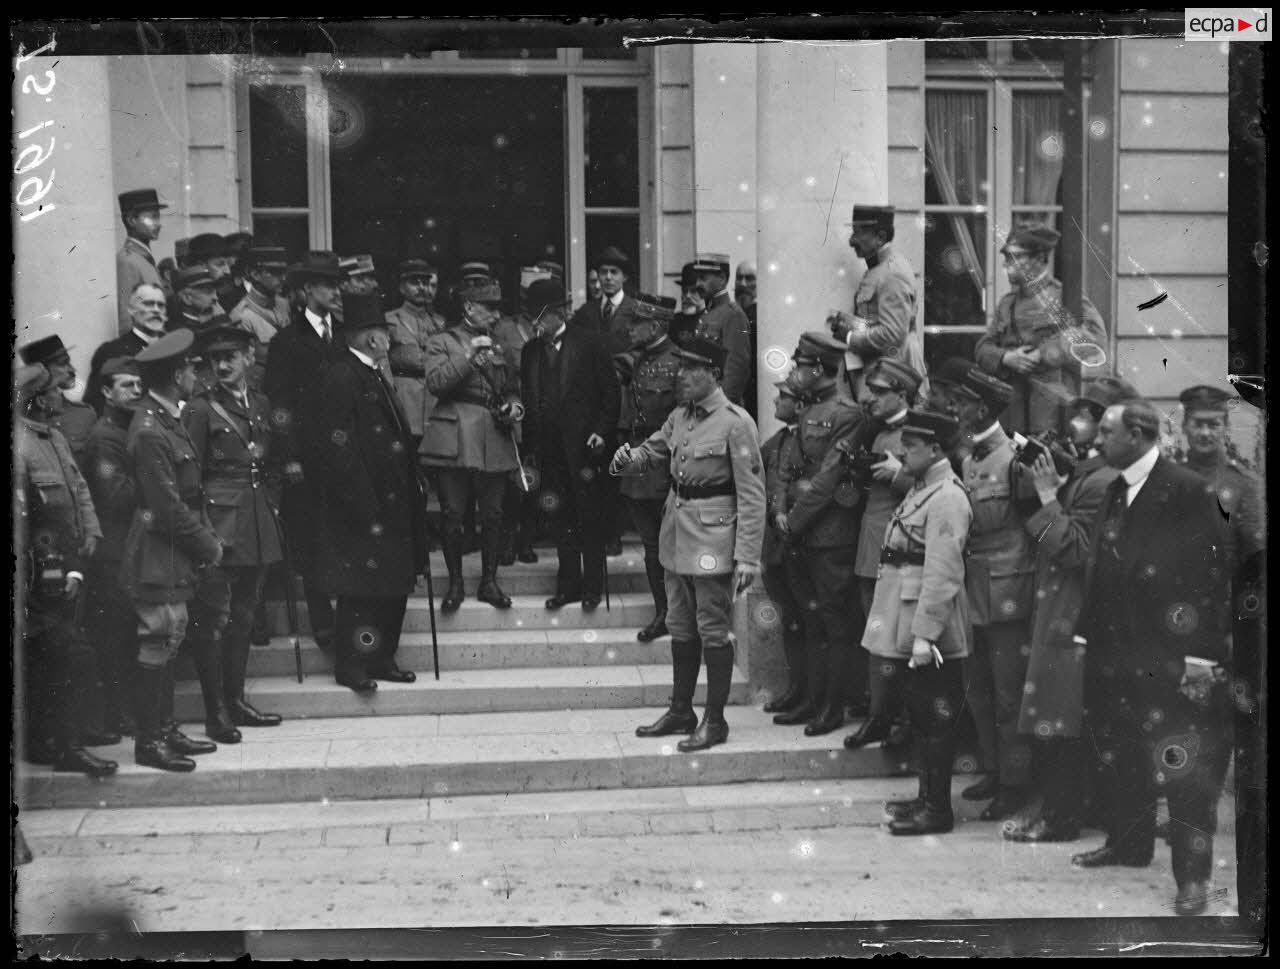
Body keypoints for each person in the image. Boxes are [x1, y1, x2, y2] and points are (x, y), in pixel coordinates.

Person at [1072, 399, 1232, 917]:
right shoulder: (1116, 488)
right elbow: (1102, 565)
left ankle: (1192, 879)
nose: (1097, 443)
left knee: (1184, 768)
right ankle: (1129, 844)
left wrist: (1203, 656)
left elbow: (1212, 579)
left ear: (1138, 435)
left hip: (1171, 656)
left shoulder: (1187, 490)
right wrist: (1085, 633)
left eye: (1107, 433)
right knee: (1121, 753)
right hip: (1116, 653)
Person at [611, 336, 765, 752]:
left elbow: (752, 493)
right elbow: (656, 450)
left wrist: (749, 556)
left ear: (712, 375)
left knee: (713, 628)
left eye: (689, 369)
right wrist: (630, 458)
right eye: (679, 368)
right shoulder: (681, 416)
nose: (679, 376)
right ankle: (682, 709)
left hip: (714, 536)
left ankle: (715, 720)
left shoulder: (737, 423)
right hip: (676, 533)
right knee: (680, 624)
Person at [1002, 376, 1136, 844]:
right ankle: (1063, 811)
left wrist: (1045, 497)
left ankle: (1062, 819)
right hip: (1058, 608)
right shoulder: (1086, 474)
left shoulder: (1101, 483)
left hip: (1071, 612)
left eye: (1088, 417)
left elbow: (1075, 551)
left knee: (1061, 722)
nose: (1077, 425)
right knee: (1056, 720)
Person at [1171, 383, 1266, 916]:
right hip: (1175, 647)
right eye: (1196, 423)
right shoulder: (1168, 485)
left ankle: (1255, 888)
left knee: (1241, 770)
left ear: (1225, 429)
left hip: (1230, 649)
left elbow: (1255, 569)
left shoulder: (1242, 487)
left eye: (1214, 423)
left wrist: (1235, 643)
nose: (1205, 431)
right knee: (1188, 770)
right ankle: (1190, 880)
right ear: (1183, 427)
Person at [862, 409, 972, 835]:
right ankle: (926, 799)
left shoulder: (947, 496)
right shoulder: (926, 487)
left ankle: (938, 810)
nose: (901, 451)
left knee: (935, 719)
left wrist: (926, 636)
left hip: (930, 627)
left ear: (937, 449)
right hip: (906, 616)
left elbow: (943, 573)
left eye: (910, 445)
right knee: (923, 716)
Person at [313, 292, 428, 693]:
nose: (389, 339)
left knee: (392, 586)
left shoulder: (375, 372)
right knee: (361, 591)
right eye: (384, 332)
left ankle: (382, 658)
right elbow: (339, 448)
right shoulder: (342, 375)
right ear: (367, 337)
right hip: (365, 507)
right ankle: (352, 664)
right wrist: (364, 503)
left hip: (393, 503)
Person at [122, 329, 226, 771]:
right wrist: (208, 545)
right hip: (156, 550)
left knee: (172, 633)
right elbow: (165, 505)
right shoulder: (149, 429)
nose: (195, 374)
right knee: (160, 637)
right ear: (173, 374)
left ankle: (163, 729)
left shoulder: (167, 419)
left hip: (172, 551)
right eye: (189, 368)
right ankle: (150, 740)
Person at [16, 363, 116, 777]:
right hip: (35, 579)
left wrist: (85, 543)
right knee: (67, 656)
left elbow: (78, 492)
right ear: (40, 399)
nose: (64, 395)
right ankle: (65, 745)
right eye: (57, 390)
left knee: (57, 658)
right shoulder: (21, 446)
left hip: (63, 566)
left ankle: (53, 741)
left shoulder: (54, 437)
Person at [183, 324, 285, 727]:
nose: (222, 365)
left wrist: (272, 503)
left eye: (230, 357)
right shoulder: (201, 408)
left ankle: (236, 700)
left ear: (248, 357)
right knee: (214, 619)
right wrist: (202, 532)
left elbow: (273, 462)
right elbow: (190, 476)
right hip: (219, 522)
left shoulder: (261, 403)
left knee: (244, 615)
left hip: (257, 519)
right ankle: (216, 712)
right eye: (214, 359)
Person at [949, 366, 1037, 820]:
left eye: (961, 401)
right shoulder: (969, 459)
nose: (954, 408)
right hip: (975, 588)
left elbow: (1033, 528)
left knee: (1009, 695)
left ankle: (1016, 783)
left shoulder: (1017, 459)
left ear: (981, 408)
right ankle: (993, 768)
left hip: (1008, 589)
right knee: (978, 690)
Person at [773, 332, 867, 735]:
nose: (795, 372)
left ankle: (833, 706)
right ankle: (811, 699)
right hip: (800, 531)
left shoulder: (847, 413)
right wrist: (779, 509)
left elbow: (828, 479)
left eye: (800, 366)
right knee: (810, 621)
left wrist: (792, 522)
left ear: (820, 370)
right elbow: (787, 467)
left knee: (834, 623)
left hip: (829, 535)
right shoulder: (809, 409)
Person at [421, 277, 525, 612]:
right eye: (489, 308)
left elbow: (511, 388)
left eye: (498, 308)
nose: (496, 315)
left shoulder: (499, 346)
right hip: (455, 435)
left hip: (493, 434)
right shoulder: (442, 341)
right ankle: (454, 584)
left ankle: (489, 582)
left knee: (493, 513)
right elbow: (436, 383)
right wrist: (467, 356)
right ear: (468, 307)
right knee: (453, 512)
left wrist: (515, 408)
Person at [262, 251, 349, 652]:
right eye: (327, 284)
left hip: (346, 455)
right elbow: (279, 406)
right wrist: (290, 455)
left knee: (345, 529)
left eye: (337, 283)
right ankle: (321, 615)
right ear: (307, 290)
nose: (335, 290)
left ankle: (347, 611)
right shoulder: (286, 341)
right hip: (307, 456)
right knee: (313, 537)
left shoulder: (345, 336)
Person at [521, 278, 620, 611]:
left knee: (588, 517)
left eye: (540, 316)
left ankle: (593, 587)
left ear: (559, 313)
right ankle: (568, 588)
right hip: (549, 452)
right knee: (559, 519)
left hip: (584, 449)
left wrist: (601, 431)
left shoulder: (591, 343)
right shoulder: (530, 351)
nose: (534, 323)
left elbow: (611, 394)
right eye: (531, 316)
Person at [841, 358, 922, 751]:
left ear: (902, 394)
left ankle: (906, 719)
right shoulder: (874, 432)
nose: (868, 397)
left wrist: (900, 475)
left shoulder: (920, 433)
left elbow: (936, 488)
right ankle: (879, 714)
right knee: (874, 635)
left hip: (902, 549)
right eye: (869, 389)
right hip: (871, 544)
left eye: (878, 391)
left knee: (901, 636)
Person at [973, 223, 1107, 436]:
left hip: (1052, 418)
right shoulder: (1007, 304)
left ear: (1038, 259)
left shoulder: (1063, 298)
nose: (1007, 264)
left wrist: (1042, 353)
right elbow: (982, 348)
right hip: (1011, 417)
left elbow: (1096, 340)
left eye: (1014, 257)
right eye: (1006, 257)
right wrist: (1006, 358)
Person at [81, 356, 145, 737]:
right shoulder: (105, 437)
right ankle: (120, 715)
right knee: (118, 638)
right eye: (126, 386)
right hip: (115, 554)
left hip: (132, 549)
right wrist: (153, 474)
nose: (135, 392)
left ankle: (131, 714)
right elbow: (115, 495)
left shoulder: (128, 429)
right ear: (106, 391)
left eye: (138, 385)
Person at [616, 294, 682, 642]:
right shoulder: (638, 360)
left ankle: (675, 612)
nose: (630, 329)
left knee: (668, 544)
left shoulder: (679, 363)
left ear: (654, 326)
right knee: (650, 545)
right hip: (639, 464)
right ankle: (663, 612)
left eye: (637, 323)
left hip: (666, 464)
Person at [829, 204, 927, 396]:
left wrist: (849, 337)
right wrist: (849, 323)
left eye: (858, 233)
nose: (851, 241)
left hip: (894, 378)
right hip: (882, 373)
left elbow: (892, 334)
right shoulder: (879, 269)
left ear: (880, 237)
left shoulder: (892, 274)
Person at [761, 377, 809, 720]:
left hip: (801, 547)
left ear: (802, 405)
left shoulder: (808, 445)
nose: (776, 401)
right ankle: (796, 689)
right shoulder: (775, 442)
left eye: (784, 397)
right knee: (790, 622)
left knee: (809, 623)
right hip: (775, 550)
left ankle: (810, 695)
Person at [387, 259, 448, 448]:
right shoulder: (389, 320)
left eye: (425, 282)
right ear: (402, 288)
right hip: (405, 402)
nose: (421, 288)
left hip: (435, 405)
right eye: (414, 283)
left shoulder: (440, 323)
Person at [87, 282, 169, 413]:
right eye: (148, 304)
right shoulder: (111, 351)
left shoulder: (173, 346)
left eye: (161, 305)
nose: (156, 310)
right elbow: (96, 400)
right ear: (131, 310)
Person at [19, 335, 99, 467]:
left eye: (69, 362)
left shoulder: (85, 414)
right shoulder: (25, 421)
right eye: (63, 364)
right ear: (41, 370)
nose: (72, 370)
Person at [690, 252, 752, 406]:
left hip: (720, 408)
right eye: (697, 278)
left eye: (703, 278)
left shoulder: (733, 315)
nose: (698, 284)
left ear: (722, 278)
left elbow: (735, 371)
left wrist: (718, 409)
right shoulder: (707, 314)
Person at [229, 246, 292, 391]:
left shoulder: (284, 304)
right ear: (255, 274)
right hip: (262, 387)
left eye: (284, 273)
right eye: (275, 273)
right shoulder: (242, 315)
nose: (282, 278)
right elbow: (245, 369)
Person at [115, 188, 171, 334]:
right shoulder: (127, 261)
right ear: (132, 220)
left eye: (158, 217)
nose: (158, 224)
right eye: (152, 217)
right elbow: (126, 318)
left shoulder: (143, 258)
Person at [734, 260, 759, 422]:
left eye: (749, 278)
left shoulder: (761, 316)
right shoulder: (734, 314)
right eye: (739, 278)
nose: (743, 284)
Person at [169, 265, 222, 332]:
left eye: (215, 291)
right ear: (187, 298)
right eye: (208, 291)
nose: (216, 297)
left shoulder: (214, 318)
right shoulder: (179, 332)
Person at [670, 262, 703, 349]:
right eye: (684, 291)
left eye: (693, 291)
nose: (687, 296)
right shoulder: (673, 321)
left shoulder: (712, 319)